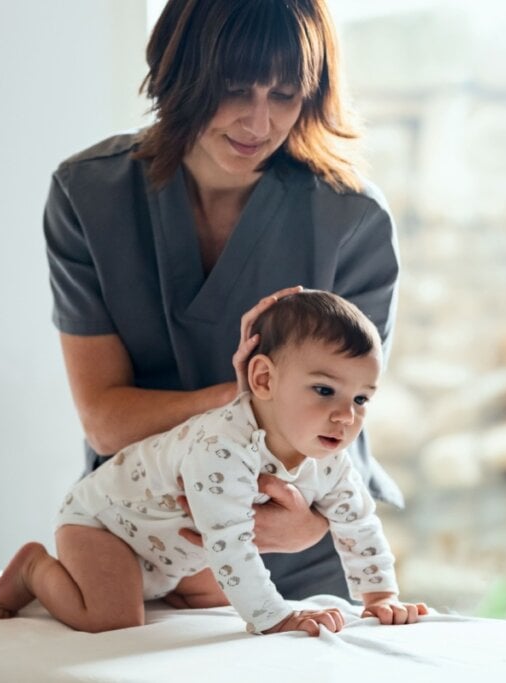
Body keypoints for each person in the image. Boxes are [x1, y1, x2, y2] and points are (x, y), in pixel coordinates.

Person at [44, 0, 402, 600]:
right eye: (234, 89)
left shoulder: (351, 219)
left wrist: (309, 526)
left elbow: (342, 413)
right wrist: (250, 398)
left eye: (285, 95)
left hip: (298, 558)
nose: (258, 123)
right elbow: (107, 423)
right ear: (177, 73)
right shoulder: (89, 196)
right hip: (149, 550)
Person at [0, 291, 427, 635]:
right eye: (325, 390)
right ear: (264, 379)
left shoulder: (328, 456)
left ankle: (166, 591)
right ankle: (34, 569)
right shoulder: (221, 446)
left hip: (178, 551)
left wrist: (380, 596)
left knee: (217, 601)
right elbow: (232, 544)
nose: (345, 415)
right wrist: (273, 617)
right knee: (110, 620)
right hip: (107, 527)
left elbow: (358, 523)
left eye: (362, 398)